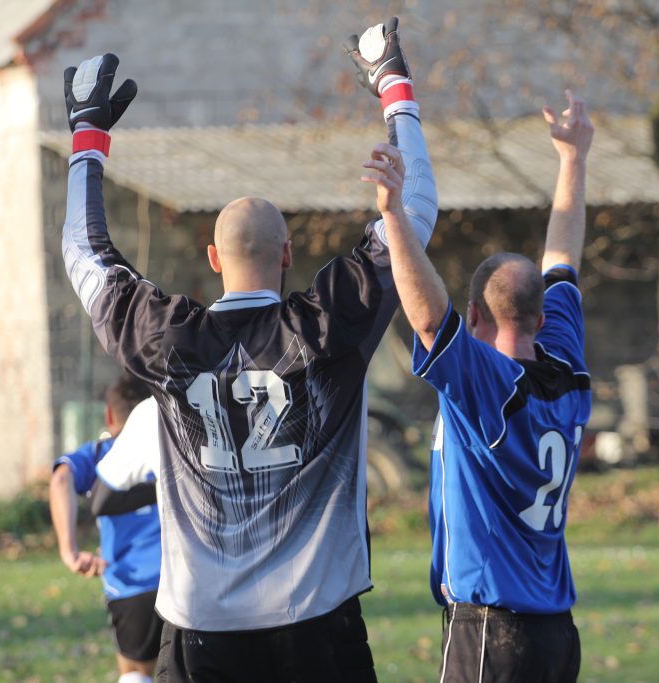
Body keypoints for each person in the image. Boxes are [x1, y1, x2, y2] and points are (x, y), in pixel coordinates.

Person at [58, 17, 436, 682]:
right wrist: (392, 84)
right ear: (287, 255)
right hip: (316, 622)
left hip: (203, 630)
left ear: (212, 258)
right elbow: (418, 216)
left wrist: (88, 135)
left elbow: (85, 255)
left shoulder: (170, 339)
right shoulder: (327, 326)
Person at [369, 90, 593, 682]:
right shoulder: (568, 366)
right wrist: (573, 160)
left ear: (472, 317)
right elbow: (563, 258)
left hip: (493, 631)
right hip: (557, 634)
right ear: (543, 317)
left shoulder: (487, 385)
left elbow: (427, 319)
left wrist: (394, 217)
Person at [49, 374, 163, 683]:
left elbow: (60, 479)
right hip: (183, 581)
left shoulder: (101, 454)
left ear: (110, 415)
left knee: (136, 673)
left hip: (131, 584)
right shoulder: (171, 445)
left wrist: (70, 551)